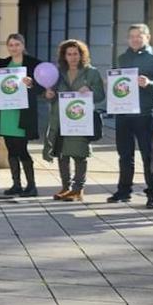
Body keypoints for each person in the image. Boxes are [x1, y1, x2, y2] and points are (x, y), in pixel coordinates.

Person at [108, 24, 153, 207]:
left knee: (149, 155)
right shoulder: (122, 58)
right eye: (132, 36)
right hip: (123, 114)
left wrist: (149, 83)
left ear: (147, 37)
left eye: (139, 36)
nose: (135, 39)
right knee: (124, 155)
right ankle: (124, 190)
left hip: (146, 114)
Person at [42, 39, 105, 202]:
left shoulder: (91, 72)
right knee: (62, 154)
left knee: (79, 154)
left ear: (82, 55)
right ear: (64, 56)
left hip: (80, 120)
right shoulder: (57, 73)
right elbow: (50, 95)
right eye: (69, 54)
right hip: (61, 119)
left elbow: (100, 96)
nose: (72, 57)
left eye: (76, 53)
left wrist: (90, 90)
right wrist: (48, 95)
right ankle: (65, 187)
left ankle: (78, 189)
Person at [0, 34, 42, 197]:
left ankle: (32, 186)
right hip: (6, 114)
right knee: (11, 150)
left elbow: (42, 87)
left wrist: (32, 83)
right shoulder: (3, 64)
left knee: (22, 150)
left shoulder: (33, 64)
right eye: (11, 45)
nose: (14, 48)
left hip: (23, 114)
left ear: (23, 45)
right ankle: (16, 184)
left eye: (17, 44)